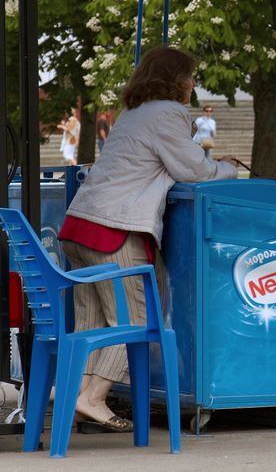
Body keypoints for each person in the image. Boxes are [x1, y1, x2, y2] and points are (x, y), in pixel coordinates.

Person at [57, 46, 239, 433]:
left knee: (92, 323)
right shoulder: (169, 112)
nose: (193, 83)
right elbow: (193, 169)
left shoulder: (134, 111)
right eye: (189, 76)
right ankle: (92, 398)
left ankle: (75, 392)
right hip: (114, 229)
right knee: (134, 321)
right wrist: (226, 168)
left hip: (80, 224)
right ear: (174, 80)